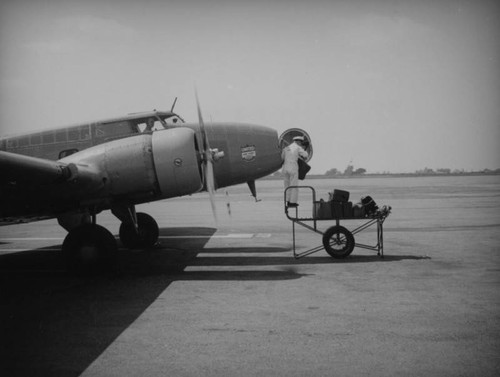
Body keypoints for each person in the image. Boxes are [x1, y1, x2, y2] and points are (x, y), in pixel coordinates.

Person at [282, 136, 309, 207]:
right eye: (300, 143)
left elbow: (282, 158)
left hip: (285, 169)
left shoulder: (286, 148)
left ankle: (287, 201)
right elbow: (306, 155)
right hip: (293, 168)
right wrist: (304, 149)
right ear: (299, 142)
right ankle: (292, 202)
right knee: (294, 185)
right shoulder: (298, 147)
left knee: (287, 186)